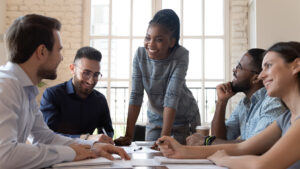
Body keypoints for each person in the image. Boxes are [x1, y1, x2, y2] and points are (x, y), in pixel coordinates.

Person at [0, 14, 129, 169]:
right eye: (59, 50)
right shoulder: (5, 86)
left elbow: (44, 137)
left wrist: (92, 145)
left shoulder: (25, 88)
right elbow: (5, 155)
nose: (61, 58)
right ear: (42, 51)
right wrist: (71, 153)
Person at [158, 41, 300, 169]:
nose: (262, 76)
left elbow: (262, 164)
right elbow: (241, 147)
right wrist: (181, 150)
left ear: (296, 66)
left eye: (268, 66)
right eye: (262, 69)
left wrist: (224, 159)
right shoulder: (286, 118)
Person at [114, 9, 200, 145]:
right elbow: (136, 95)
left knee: (177, 158)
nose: (151, 44)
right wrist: (129, 136)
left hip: (184, 118)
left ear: (172, 41)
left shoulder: (181, 55)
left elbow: (171, 97)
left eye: (159, 39)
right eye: (148, 37)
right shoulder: (140, 55)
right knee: (152, 156)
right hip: (155, 119)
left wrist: (163, 139)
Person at [186, 49, 287, 145]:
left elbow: (256, 146)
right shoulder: (244, 104)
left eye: (239, 67)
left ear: (255, 78)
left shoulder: (273, 103)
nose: (234, 70)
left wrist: (207, 141)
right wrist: (221, 102)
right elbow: (220, 138)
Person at [40, 47, 114, 144]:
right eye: (86, 73)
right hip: (60, 155)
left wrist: (105, 139)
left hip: (91, 155)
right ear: (72, 69)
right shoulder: (52, 95)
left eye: (96, 75)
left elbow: (107, 131)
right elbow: (48, 137)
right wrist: (85, 138)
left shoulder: (100, 100)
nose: (91, 80)